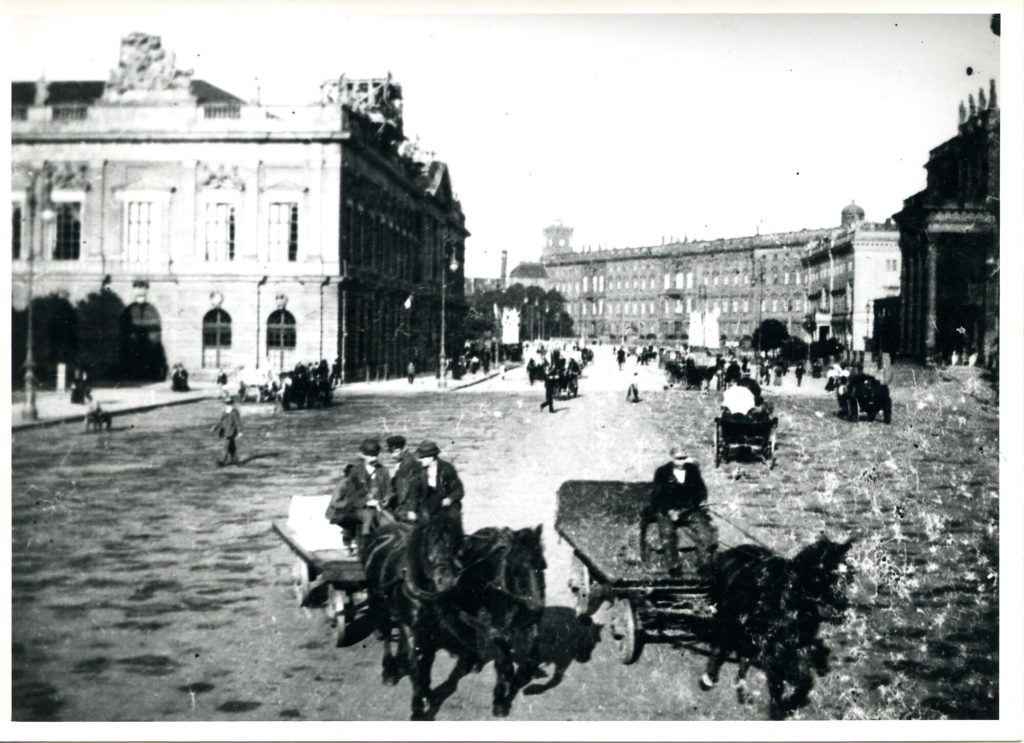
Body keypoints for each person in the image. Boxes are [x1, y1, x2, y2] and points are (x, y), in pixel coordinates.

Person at [648, 449, 718, 579]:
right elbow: (657, 497)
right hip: (668, 510)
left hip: (689, 510)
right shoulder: (662, 472)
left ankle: (704, 567)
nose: (681, 461)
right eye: (678, 458)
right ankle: (674, 567)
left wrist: (700, 501)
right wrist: (669, 511)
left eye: (684, 458)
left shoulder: (692, 470)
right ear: (672, 457)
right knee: (667, 534)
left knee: (705, 533)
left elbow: (701, 490)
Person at [325, 438, 394, 551]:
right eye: (370, 455)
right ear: (363, 455)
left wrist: (385, 500)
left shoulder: (383, 471)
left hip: (380, 507)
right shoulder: (356, 472)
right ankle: (364, 543)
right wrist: (367, 502)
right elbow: (352, 496)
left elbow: (389, 490)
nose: (373, 458)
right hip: (359, 508)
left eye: (375, 455)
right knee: (368, 516)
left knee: (390, 521)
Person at [414, 440, 464, 526]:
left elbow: (458, 490)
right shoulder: (419, 470)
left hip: (446, 501)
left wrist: (450, 499)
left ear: (431, 458)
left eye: (422, 458)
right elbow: (414, 491)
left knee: (453, 519)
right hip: (428, 501)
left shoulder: (447, 468)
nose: (420, 460)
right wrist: (411, 509)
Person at [386, 434, 424, 523]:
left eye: (395, 452)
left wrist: (409, 509)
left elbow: (407, 488)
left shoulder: (407, 464)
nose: (393, 456)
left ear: (403, 449)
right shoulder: (408, 459)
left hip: (407, 504)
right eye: (391, 452)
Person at [211, 397, 243, 466]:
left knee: (226, 446)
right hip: (225, 431)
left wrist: (239, 431)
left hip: (231, 432)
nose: (228, 405)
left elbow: (238, 422)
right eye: (227, 404)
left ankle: (221, 461)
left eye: (229, 404)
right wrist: (215, 427)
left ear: (232, 404)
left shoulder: (234, 412)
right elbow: (221, 421)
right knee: (232, 447)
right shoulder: (224, 412)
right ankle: (236, 460)